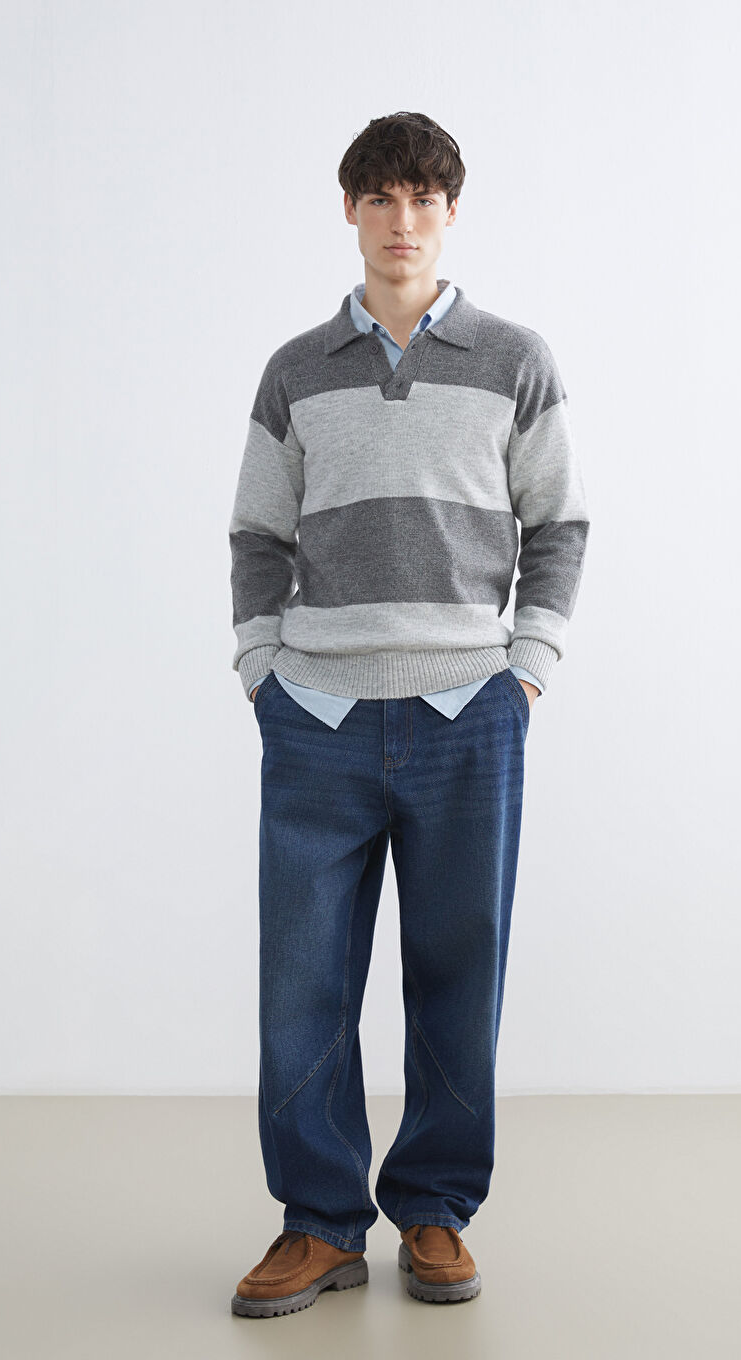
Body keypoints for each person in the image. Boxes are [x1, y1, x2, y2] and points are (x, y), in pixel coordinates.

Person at [228, 111, 590, 1319]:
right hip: (317, 716)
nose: (402, 220)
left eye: (423, 198)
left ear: (451, 211)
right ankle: (319, 1222)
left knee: (456, 975)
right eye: (380, 197)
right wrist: (262, 668)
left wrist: (525, 667)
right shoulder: (296, 369)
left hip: (467, 712)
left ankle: (435, 1209)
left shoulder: (514, 359)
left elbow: (559, 525)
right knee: (303, 984)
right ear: (350, 209)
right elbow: (257, 534)